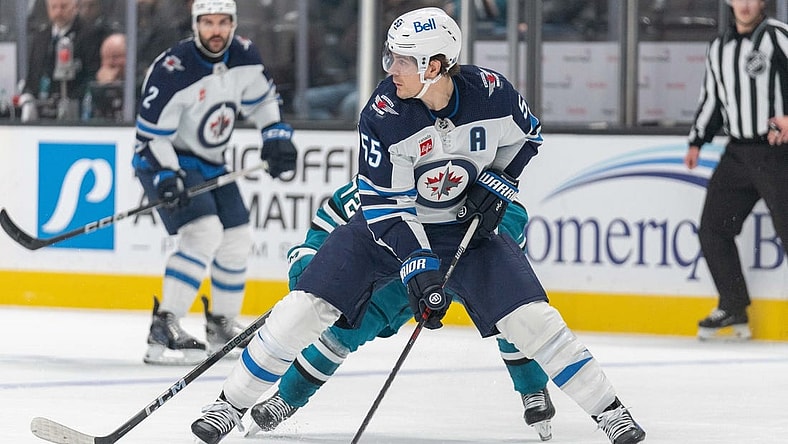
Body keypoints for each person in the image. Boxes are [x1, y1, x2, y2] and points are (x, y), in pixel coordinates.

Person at [191, 7, 645, 444]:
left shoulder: (493, 91)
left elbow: (528, 137)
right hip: (384, 230)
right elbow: (384, 206)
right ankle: (229, 405)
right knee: (303, 307)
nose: (392, 69)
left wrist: (500, 182)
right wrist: (418, 263)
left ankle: (611, 412)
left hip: (464, 228)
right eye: (391, 56)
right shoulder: (383, 113)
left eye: (404, 59)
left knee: (534, 319)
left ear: (437, 65)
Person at [246, 178, 556, 441]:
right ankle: (285, 398)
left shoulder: (469, 169)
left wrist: (490, 234)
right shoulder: (380, 180)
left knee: (511, 315)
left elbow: (512, 220)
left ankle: (533, 389)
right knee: (344, 330)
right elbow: (329, 223)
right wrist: (310, 265)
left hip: (464, 260)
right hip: (400, 270)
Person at [133, 0, 297, 365]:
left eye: (224, 22)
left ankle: (220, 323)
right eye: (208, 22)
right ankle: (164, 326)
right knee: (204, 233)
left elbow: (263, 100)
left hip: (211, 162)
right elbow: (149, 137)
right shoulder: (173, 69)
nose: (217, 30)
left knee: (237, 237)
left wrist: (275, 135)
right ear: (195, 25)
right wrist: (166, 174)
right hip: (165, 159)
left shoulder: (244, 55)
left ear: (234, 23)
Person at [686, 0, 788, 340]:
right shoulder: (719, 47)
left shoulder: (777, 35)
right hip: (738, 154)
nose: (745, 5)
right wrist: (697, 140)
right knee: (713, 228)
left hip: (778, 152)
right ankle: (732, 305)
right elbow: (712, 98)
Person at [19, 0, 106, 121]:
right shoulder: (41, 37)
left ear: (75, 7)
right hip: (41, 110)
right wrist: (27, 96)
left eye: (63, 6)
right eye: (54, 7)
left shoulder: (90, 34)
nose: (58, 11)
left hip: (75, 110)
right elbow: (33, 73)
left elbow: (92, 73)